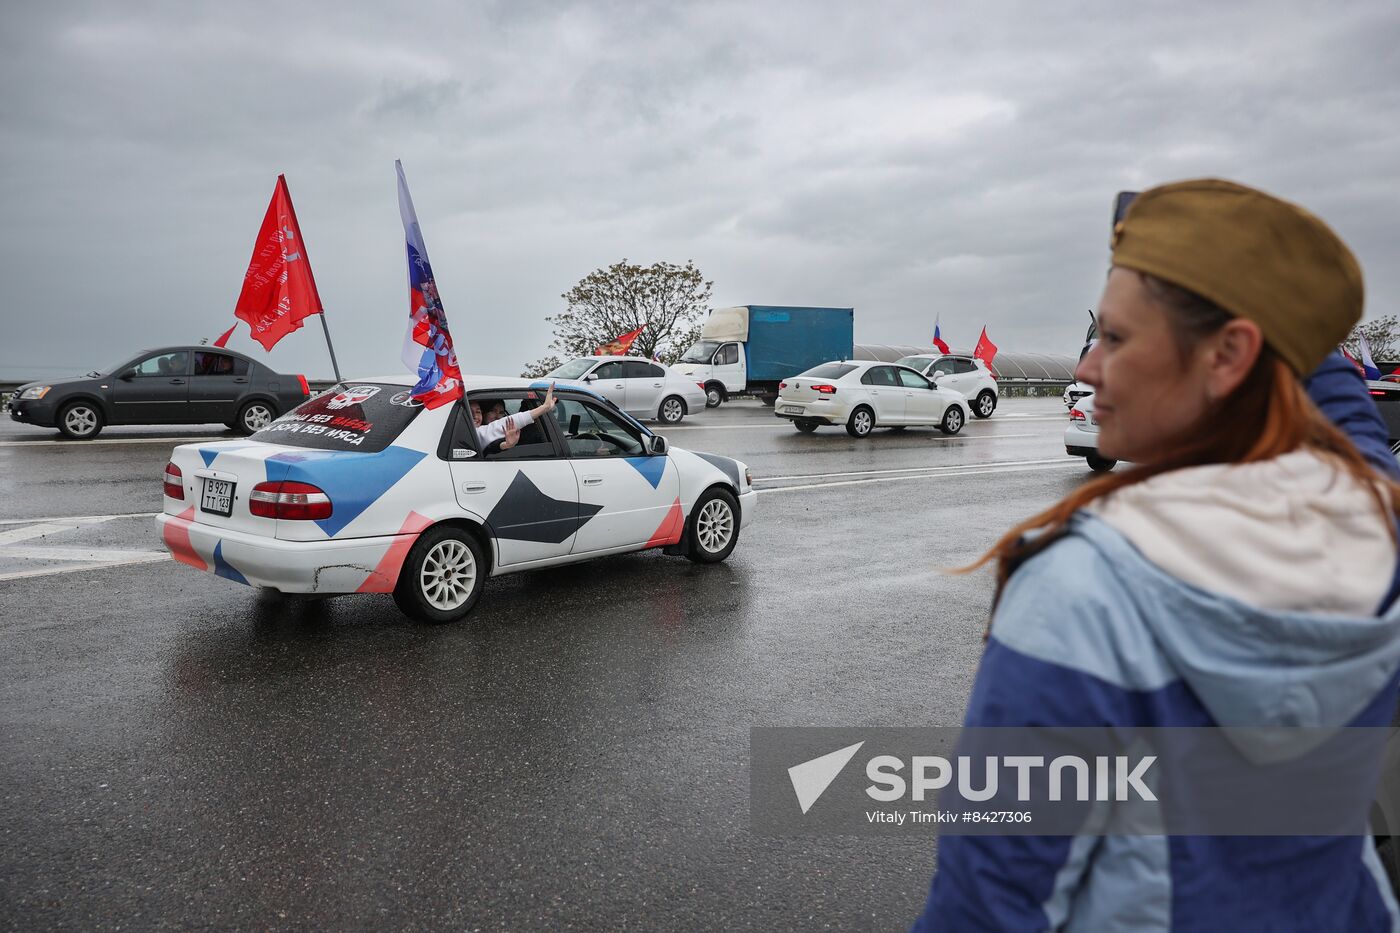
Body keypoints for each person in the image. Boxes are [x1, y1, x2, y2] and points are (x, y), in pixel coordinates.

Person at [912, 179, 1400, 930]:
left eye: (1114, 338)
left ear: (1232, 353)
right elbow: (1346, 412)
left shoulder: (1087, 586)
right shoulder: (1374, 517)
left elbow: (988, 900)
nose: (1084, 368)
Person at [469, 384, 557, 451]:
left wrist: (506, 445)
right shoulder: (475, 434)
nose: (474, 416)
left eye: (478, 412)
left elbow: (493, 445)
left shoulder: (515, 434)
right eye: (493, 411)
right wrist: (543, 408)